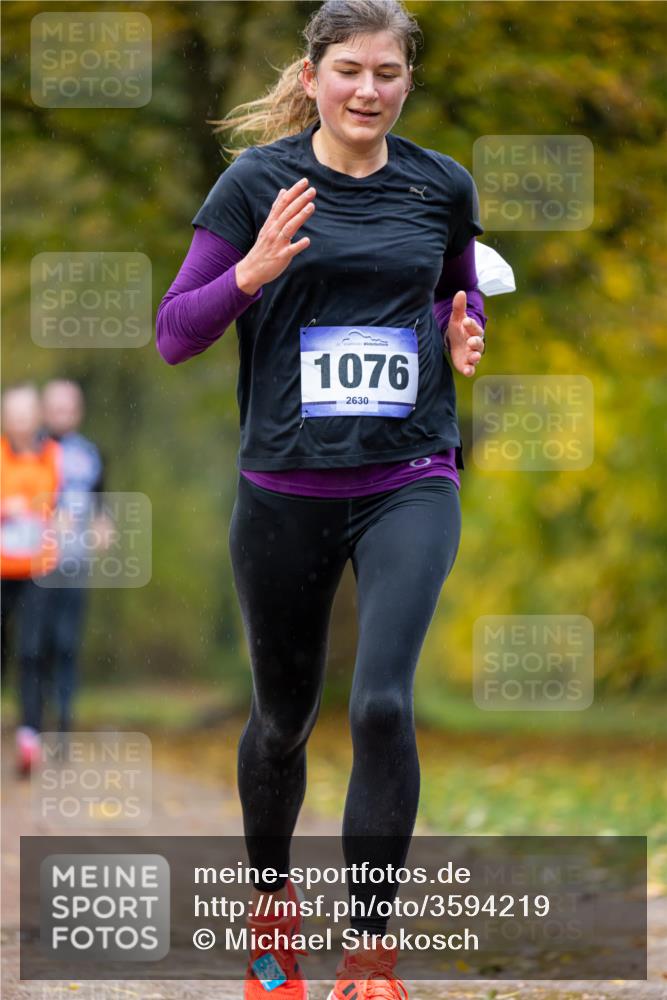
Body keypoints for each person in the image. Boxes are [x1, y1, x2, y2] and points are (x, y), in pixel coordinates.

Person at [156, 2, 488, 997]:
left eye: (387, 73)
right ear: (311, 76)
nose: (367, 91)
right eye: (348, 69)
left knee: (382, 701)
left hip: (409, 476)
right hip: (284, 489)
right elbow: (175, 331)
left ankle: (371, 957)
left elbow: (451, 295)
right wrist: (250, 273)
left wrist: (461, 335)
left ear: (406, 82)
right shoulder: (256, 183)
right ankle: (270, 918)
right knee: (280, 721)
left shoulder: (441, 185)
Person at [0, 384, 61, 775]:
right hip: (2, 569)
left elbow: (64, 501)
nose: (21, 421)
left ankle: (30, 736)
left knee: (33, 650)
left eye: (27, 413)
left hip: (39, 567)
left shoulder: (52, 455)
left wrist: (34, 507)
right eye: (14, 414)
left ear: (37, 417)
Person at [40, 379, 105, 734]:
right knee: (38, 643)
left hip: (76, 560)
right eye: (56, 408)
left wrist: (102, 523)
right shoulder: (32, 451)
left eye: (69, 408)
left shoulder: (89, 453)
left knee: (67, 640)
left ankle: (63, 718)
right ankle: (34, 717)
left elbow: (100, 499)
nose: (62, 416)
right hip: (37, 563)